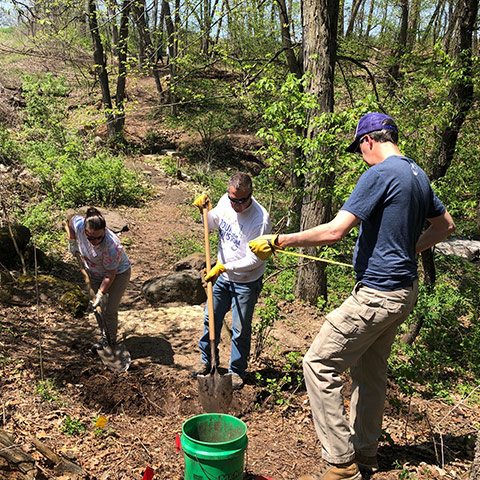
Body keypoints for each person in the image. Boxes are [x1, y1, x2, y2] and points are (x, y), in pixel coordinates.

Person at [249, 112, 455, 480]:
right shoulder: (417, 174)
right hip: (403, 292)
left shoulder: (379, 173)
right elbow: (445, 226)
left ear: (369, 141)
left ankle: (341, 463)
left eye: (359, 148)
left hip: (377, 295)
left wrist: (278, 240)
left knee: (317, 363)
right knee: (370, 373)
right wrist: (409, 250)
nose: (360, 155)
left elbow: (334, 232)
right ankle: (365, 455)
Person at [192, 172, 271, 390]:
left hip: (246, 281)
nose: (236, 204)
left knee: (240, 328)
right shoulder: (225, 203)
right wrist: (204, 212)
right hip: (221, 277)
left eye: (241, 200)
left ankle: (236, 371)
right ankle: (207, 361)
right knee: (211, 319)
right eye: (232, 199)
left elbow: (255, 259)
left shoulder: (260, 220)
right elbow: (210, 225)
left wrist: (224, 266)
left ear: (251, 195)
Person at [66, 207, 131, 352]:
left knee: (109, 309)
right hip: (93, 272)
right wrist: (72, 241)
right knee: (98, 308)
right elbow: (70, 221)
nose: (95, 241)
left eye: (99, 237)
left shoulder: (111, 246)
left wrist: (101, 293)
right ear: (85, 230)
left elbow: (110, 275)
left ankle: (110, 341)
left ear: (104, 231)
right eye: (90, 237)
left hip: (118, 274)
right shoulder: (80, 225)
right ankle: (104, 336)